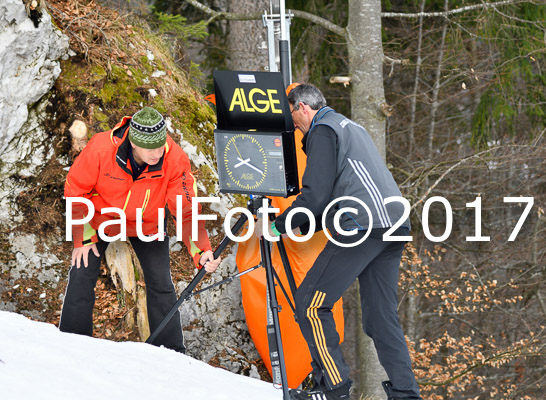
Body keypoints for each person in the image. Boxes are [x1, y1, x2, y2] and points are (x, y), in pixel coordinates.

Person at [255, 84, 421, 400]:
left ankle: (333, 389)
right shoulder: (348, 126)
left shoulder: (323, 131)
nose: (292, 125)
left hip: (364, 225)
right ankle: (406, 394)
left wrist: (276, 227)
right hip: (393, 224)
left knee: (310, 304)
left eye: (291, 115)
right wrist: (291, 226)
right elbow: (330, 199)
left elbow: (315, 197)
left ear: (302, 107)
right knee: (380, 319)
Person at [60, 106, 221, 353]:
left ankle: (170, 351)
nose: (156, 153)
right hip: (102, 218)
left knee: (161, 281)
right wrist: (83, 237)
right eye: (149, 148)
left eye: (160, 145)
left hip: (147, 222)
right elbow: (75, 188)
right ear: (133, 143)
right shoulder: (101, 149)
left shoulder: (174, 159)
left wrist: (202, 251)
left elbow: (186, 209)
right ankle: (73, 342)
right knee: (82, 271)